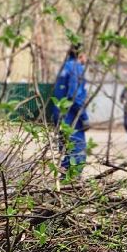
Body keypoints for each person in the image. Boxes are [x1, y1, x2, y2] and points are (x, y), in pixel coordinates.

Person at [51, 43, 89, 176]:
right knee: (77, 153)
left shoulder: (64, 67)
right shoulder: (76, 67)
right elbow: (74, 95)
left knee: (66, 152)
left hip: (60, 116)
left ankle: (64, 182)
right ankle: (72, 183)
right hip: (72, 117)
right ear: (81, 54)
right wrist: (84, 117)